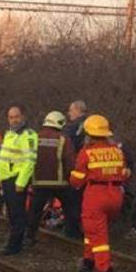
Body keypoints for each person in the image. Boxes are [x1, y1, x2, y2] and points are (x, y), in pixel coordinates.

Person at [67, 114, 128, 272]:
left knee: (99, 237)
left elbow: (77, 179)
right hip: (116, 195)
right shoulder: (116, 150)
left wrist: (71, 178)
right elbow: (123, 173)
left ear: (89, 134)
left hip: (96, 195)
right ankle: (88, 262)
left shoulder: (87, 152)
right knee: (92, 230)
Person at [27, 110, 76, 245]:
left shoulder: (34, 137)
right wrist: (70, 179)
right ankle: (71, 235)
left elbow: (27, 159)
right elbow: (70, 162)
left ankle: (29, 236)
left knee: (35, 211)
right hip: (60, 183)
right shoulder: (63, 139)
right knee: (70, 207)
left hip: (39, 182)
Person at [0, 104, 37, 254]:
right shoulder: (10, 134)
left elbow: (30, 160)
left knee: (17, 214)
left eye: (16, 117)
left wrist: (21, 182)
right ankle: (18, 242)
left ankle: (14, 246)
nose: (13, 120)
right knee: (12, 213)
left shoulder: (28, 135)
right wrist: (0, 177)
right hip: (7, 178)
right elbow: (4, 158)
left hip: (16, 179)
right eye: (11, 117)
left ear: (23, 117)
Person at [62, 100, 89, 241]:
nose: (69, 113)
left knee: (71, 200)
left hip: (75, 168)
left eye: (71, 110)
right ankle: (83, 229)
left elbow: (65, 145)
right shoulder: (91, 125)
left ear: (78, 110)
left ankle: (71, 231)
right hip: (91, 170)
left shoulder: (72, 127)